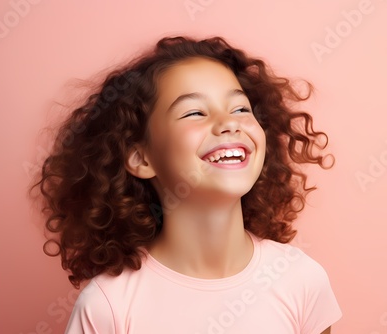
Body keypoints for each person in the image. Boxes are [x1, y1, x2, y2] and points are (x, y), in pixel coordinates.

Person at [34, 35, 342, 334]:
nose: (229, 123)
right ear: (141, 158)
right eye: (195, 112)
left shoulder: (301, 280)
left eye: (241, 109)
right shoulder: (108, 305)